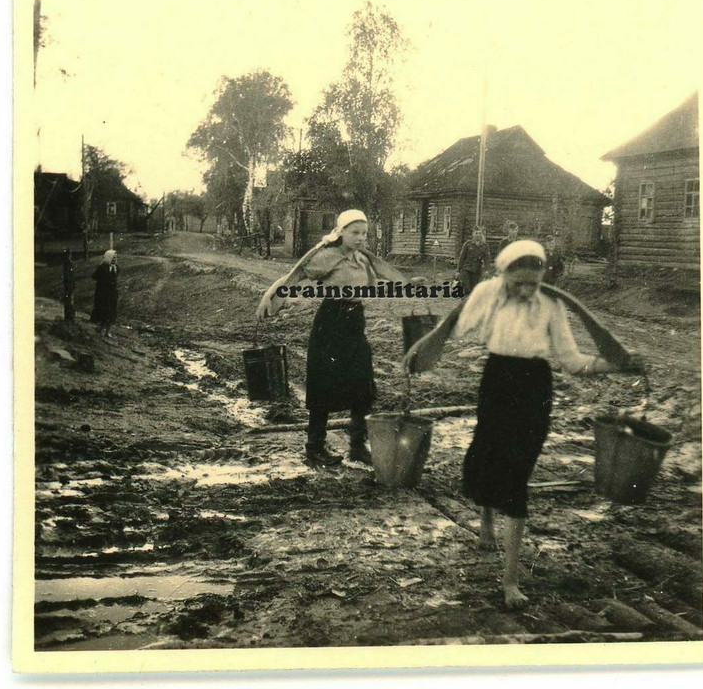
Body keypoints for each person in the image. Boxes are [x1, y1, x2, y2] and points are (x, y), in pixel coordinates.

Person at [403, 240, 642, 609]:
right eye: (519, 281)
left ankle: (510, 580)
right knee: (486, 455)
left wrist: (618, 365)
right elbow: (451, 328)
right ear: (504, 274)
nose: (527, 288)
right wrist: (422, 349)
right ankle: (485, 519)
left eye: (534, 280)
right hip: (497, 381)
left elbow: (572, 361)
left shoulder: (551, 305)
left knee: (517, 475)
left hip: (534, 389)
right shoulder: (486, 294)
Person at [257, 210, 407, 467]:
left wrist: (410, 282)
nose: (361, 238)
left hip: (354, 322)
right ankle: (314, 448)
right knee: (324, 383)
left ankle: (357, 447)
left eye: (364, 233)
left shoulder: (362, 259)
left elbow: (385, 276)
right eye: (355, 232)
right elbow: (294, 274)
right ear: (341, 232)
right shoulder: (328, 257)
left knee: (363, 383)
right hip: (331, 323)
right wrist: (268, 296)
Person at [454, 227, 492, 295]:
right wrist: (458, 271)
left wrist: (487, 270)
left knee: (474, 290)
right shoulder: (468, 244)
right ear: (473, 234)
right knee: (466, 288)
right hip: (466, 269)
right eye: (476, 233)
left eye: (479, 233)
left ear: (481, 235)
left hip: (477, 270)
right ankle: (465, 302)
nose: (478, 235)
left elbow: (487, 259)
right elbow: (462, 258)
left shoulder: (485, 246)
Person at [90, 249, 119, 337]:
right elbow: (94, 276)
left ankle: (107, 331)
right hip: (102, 293)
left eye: (116, 258)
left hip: (112, 293)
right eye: (113, 258)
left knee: (111, 311)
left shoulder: (116, 267)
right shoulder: (102, 267)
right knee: (103, 310)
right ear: (108, 258)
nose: (115, 259)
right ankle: (100, 328)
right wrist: (103, 282)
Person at [61, 249, 75, 323]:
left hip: (71, 285)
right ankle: (68, 317)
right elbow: (67, 276)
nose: (70, 256)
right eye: (69, 255)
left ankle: (70, 316)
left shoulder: (69, 263)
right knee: (69, 301)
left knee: (70, 301)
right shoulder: (67, 264)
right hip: (68, 286)